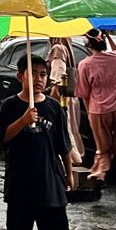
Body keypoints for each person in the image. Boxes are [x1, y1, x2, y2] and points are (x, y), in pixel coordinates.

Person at [0, 55, 74, 230]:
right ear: (21, 76)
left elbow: (63, 144)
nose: (39, 79)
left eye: (43, 74)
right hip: (20, 184)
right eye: (33, 74)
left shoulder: (54, 108)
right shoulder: (9, 106)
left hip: (50, 181)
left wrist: (69, 173)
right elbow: (2, 137)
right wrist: (23, 120)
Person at [76, 29, 116, 205]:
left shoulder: (85, 65)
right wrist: (109, 35)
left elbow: (84, 93)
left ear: (88, 45)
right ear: (103, 42)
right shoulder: (115, 58)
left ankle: (99, 173)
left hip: (98, 110)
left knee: (103, 149)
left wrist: (90, 114)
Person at [47, 37, 85, 165]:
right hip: (71, 96)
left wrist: (54, 89)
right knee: (72, 129)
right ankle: (77, 157)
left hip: (62, 98)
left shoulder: (58, 48)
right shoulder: (67, 49)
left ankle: (73, 159)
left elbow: (59, 71)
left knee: (65, 129)